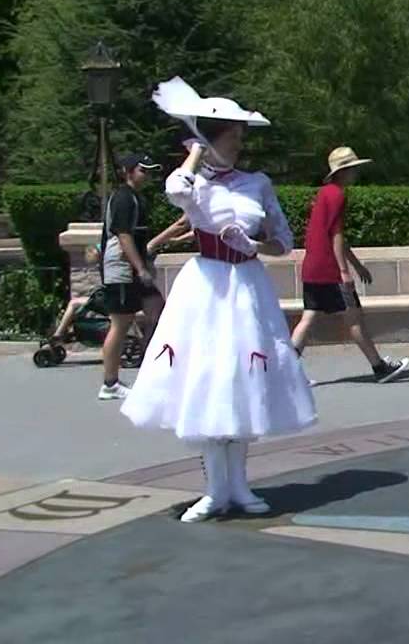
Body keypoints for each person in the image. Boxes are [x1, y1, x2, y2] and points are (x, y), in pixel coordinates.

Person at [122, 78, 316, 523]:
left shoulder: (257, 183)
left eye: (240, 136)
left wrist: (253, 244)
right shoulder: (192, 183)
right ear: (211, 139)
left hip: (246, 287)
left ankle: (239, 486)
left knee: (242, 383)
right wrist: (195, 152)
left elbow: (284, 242)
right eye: (232, 136)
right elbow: (175, 191)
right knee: (208, 381)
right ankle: (214, 490)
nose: (239, 144)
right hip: (206, 288)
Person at [289, 147, 409, 383]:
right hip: (329, 270)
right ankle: (379, 368)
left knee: (309, 317)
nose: (356, 173)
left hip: (312, 267)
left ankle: (285, 373)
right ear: (342, 172)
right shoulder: (337, 195)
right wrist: (344, 271)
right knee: (354, 318)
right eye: (352, 169)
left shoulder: (324, 193)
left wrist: (357, 265)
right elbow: (336, 235)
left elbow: (333, 236)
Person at [97, 155, 192, 400]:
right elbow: (123, 236)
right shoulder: (123, 197)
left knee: (159, 312)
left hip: (137, 268)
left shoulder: (137, 198)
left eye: (150, 171)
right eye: (143, 170)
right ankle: (110, 383)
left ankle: (157, 371)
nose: (147, 175)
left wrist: (172, 234)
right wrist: (140, 269)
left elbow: (142, 241)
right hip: (122, 269)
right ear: (127, 171)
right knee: (120, 324)